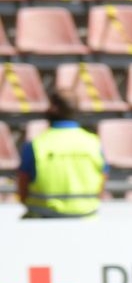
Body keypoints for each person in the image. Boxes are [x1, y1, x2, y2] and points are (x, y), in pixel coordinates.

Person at [18, 91, 105, 219]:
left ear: (53, 108)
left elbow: (22, 187)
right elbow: (102, 182)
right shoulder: (93, 143)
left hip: (42, 219)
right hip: (86, 218)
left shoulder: (36, 145)